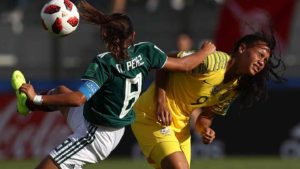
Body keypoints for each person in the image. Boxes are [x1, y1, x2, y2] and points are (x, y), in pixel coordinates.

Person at [11, 1, 216, 169]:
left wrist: (37, 96)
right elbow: (184, 64)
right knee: (60, 92)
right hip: (110, 127)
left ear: (105, 37)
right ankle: (26, 105)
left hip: (96, 133)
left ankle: (31, 101)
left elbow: (78, 99)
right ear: (133, 36)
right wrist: (205, 51)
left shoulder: (104, 62)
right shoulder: (146, 51)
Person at [131, 32, 285, 169]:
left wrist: (205, 129)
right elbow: (165, 62)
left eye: (265, 60)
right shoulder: (213, 62)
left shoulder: (234, 87)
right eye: (260, 55)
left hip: (180, 127)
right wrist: (161, 101)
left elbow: (205, 117)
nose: (261, 62)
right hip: (152, 116)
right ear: (242, 48)